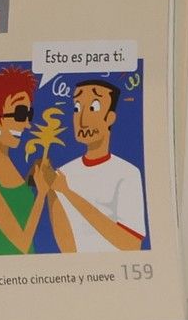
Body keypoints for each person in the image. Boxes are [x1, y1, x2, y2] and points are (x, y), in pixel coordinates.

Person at [48, 78, 148, 254]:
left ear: (110, 118)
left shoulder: (127, 173)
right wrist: (51, 191)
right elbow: (64, 241)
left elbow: (131, 244)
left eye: (93, 108)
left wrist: (68, 192)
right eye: (77, 108)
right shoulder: (62, 174)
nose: (82, 120)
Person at [0, 65, 50, 254]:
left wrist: (34, 181)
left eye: (28, 114)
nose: (27, 124)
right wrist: (41, 194)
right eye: (20, 113)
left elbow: (20, 206)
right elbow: (21, 243)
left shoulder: (10, 164)